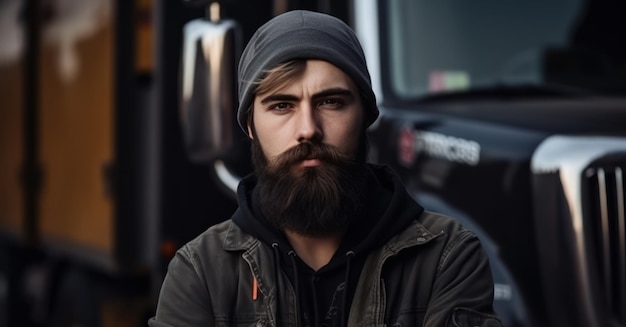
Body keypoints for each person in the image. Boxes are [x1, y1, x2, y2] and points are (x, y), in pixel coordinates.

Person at [149, 10, 502, 327]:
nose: (308, 128)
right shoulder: (202, 272)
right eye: (282, 105)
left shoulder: (446, 256)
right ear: (251, 127)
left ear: (365, 115)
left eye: (331, 102)